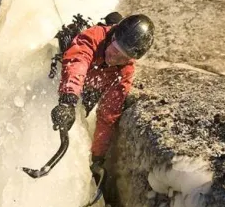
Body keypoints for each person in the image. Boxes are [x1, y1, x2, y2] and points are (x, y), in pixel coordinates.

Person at [50, 13, 155, 180]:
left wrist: (97, 158)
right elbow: (77, 62)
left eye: (123, 57)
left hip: (93, 84)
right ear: (112, 37)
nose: (115, 58)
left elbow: (108, 116)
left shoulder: (124, 71)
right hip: (73, 77)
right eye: (115, 50)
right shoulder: (93, 37)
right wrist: (67, 101)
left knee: (88, 104)